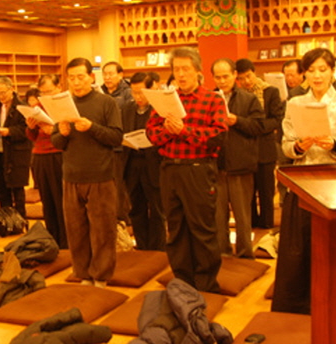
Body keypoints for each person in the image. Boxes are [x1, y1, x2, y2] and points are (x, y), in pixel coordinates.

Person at [272, 48, 336, 315]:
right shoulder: (295, 103)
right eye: (311, 70)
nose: (317, 75)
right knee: (301, 245)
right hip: (303, 181)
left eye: (322, 70)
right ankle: (300, 303)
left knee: (334, 244)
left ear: (332, 72)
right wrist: (298, 147)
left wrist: (334, 144)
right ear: (305, 74)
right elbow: (286, 145)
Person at [145, 48, 228, 292]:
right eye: (176, 70)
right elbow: (151, 134)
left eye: (186, 69)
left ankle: (206, 283)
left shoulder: (212, 99)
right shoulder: (165, 100)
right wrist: (168, 131)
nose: (181, 75)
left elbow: (218, 137)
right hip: (169, 169)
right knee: (176, 228)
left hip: (198, 170)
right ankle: (182, 280)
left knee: (202, 228)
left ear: (198, 71)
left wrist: (184, 131)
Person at [51, 57, 124, 287]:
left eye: (80, 77)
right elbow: (57, 143)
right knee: (76, 230)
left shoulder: (106, 103)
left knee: (102, 230)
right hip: (71, 176)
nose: (76, 82)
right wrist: (62, 133)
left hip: (100, 175)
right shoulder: (64, 104)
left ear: (91, 78)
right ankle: (83, 273)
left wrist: (92, 127)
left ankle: (101, 276)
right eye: (71, 78)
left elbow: (116, 137)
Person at [211, 58, 264, 259]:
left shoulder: (248, 99)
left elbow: (259, 127)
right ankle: (222, 253)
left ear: (235, 75)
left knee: (242, 216)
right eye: (218, 77)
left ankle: (245, 254)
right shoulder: (210, 98)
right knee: (218, 216)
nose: (222, 81)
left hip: (241, 164)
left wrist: (237, 121)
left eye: (226, 76)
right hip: (216, 165)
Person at [236, 58, 284, 230]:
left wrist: (256, 126)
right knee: (248, 193)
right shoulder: (238, 95)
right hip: (245, 150)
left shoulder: (270, 91)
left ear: (254, 73)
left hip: (265, 149)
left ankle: (267, 226)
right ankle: (251, 225)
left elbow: (277, 119)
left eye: (248, 76)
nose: (246, 81)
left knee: (266, 192)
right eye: (241, 78)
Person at [122, 71, 165, 251]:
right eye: (134, 92)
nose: (137, 97)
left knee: (156, 209)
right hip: (132, 163)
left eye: (141, 92)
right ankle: (142, 245)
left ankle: (157, 248)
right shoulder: (127, 108)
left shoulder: (160, 109)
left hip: (153, 163)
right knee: (136, 208)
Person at [25, 74, 66, 248]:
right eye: (43, 93)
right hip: (39, 155)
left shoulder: (65, 105)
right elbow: (32, 137)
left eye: (49, 91)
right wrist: (30, 127)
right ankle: (52, 238)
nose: (46, 96)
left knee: (61, 199)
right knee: (46, 200)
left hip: (58, 154)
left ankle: (65, 240)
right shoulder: (37, 107)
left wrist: (54, 130)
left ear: (59, 87)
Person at [0, 76, 33, 219]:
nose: (0, 96)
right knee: (1, 190)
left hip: (16, 153)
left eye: (3, 92)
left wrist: (9, 131)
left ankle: (20, 220)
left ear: (12, 89)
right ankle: (6, 220)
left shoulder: (22, 107)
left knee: (17, 189)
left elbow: (27, 130)